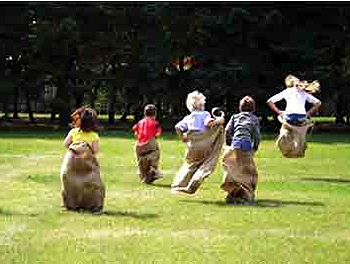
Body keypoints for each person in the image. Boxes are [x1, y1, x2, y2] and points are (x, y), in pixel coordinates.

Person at [171, 90, 225, 194]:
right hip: (204, 144)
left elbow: (177, 127)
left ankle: (177, 185)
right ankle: (196, 180)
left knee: (190, 165)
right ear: (201, 105)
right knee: (206, 164)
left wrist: (182, 137)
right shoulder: (205, 114)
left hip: (192, 146)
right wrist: (220, 120)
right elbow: (209, 123)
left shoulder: (188, 117)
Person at [60, 106, 105, 214]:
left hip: (72, 165)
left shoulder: (73, 132)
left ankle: (71, 203)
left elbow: (65, 144)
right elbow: (95, 150)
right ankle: (92, 204)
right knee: (94, 183)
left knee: (71, 182)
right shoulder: (94, 136)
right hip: (87, 165)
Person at [267, 75, 322, 158]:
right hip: (301, 118)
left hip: (289, 117)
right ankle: (301, 144)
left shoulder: (287, 91)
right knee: (301, 131)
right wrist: (308, 113)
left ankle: (282, 138)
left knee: (283, 123)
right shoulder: (304, 93)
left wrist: (279, 112)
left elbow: (269, 101)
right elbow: (318, 103)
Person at [221, 96, 260, 204]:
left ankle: (231, 194)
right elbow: (257, 135)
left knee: (234, 170)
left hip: (235, 143)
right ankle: (246, 196)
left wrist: (228, 144)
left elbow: (227, 130)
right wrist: (255, 147)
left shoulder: (234, 117)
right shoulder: (254, 119)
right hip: (246, 145)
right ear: (253, 108)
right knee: (247, 171)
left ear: (240, 107)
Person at [132, 104, 162, 184]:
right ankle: (153, 168)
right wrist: (155, 136)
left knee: (140, 159)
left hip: (139, 145)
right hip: (150, 144)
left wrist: (139, 136)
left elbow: (135, 131)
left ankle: (142, 172)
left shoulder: (140, 122)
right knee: (156, 153)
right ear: (155, 114)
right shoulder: (155, 123)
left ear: (145, 113)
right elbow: (158, 134)